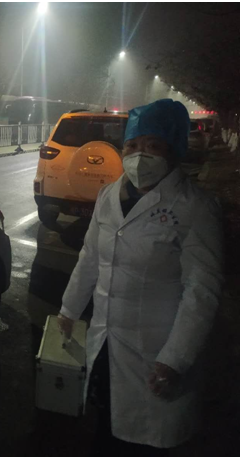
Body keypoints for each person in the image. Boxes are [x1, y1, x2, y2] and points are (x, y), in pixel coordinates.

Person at [57, 99, 224, 455]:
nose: (138, 155)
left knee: (146, 443)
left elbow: (202, 290)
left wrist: (174, 358)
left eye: (152, 145)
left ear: (173, 149)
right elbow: (90, 257)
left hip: (155, 353)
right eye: (131, 146)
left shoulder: (195, 206)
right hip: (106, 342)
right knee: (104, 427)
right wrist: (69, 309)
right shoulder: (108, 196)